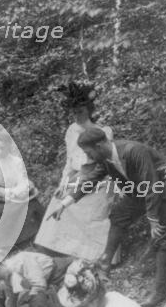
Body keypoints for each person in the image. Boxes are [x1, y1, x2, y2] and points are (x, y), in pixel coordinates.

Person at [47, 127, 166, 307]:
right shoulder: (105, 158)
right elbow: (91, 180)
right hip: (141, 190)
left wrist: (152, 218)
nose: (88, 157)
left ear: (99, 145)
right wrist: (64, 204)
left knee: (162, 237)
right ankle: (105, 263)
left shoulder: (134, 151)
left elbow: (152, 184)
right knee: (119, 215)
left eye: (89, 152)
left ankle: (159, 291)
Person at [35, 82, 115, 260]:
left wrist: (82, 180)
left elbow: (102, 163)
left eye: (80, 111)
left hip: (98, 179)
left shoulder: (103, 131)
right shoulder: (71, 130)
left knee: (91, 208)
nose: (77, 115)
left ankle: (93, 254)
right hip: (78, 176)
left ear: (88, 110)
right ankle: (59, 248)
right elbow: (70, 162)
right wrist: (63, 183)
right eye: (74, 112)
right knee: (59, 198)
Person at [0, 133, 44, 250]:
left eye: (2, 148)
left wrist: (20, 190)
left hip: (17, 191)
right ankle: (13, 243)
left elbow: (22, 179)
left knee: (33, 206)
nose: (0, 151)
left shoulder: (16, 161)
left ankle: (36, 236)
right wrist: (10, 193)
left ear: (8, 147)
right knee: (5, 212)